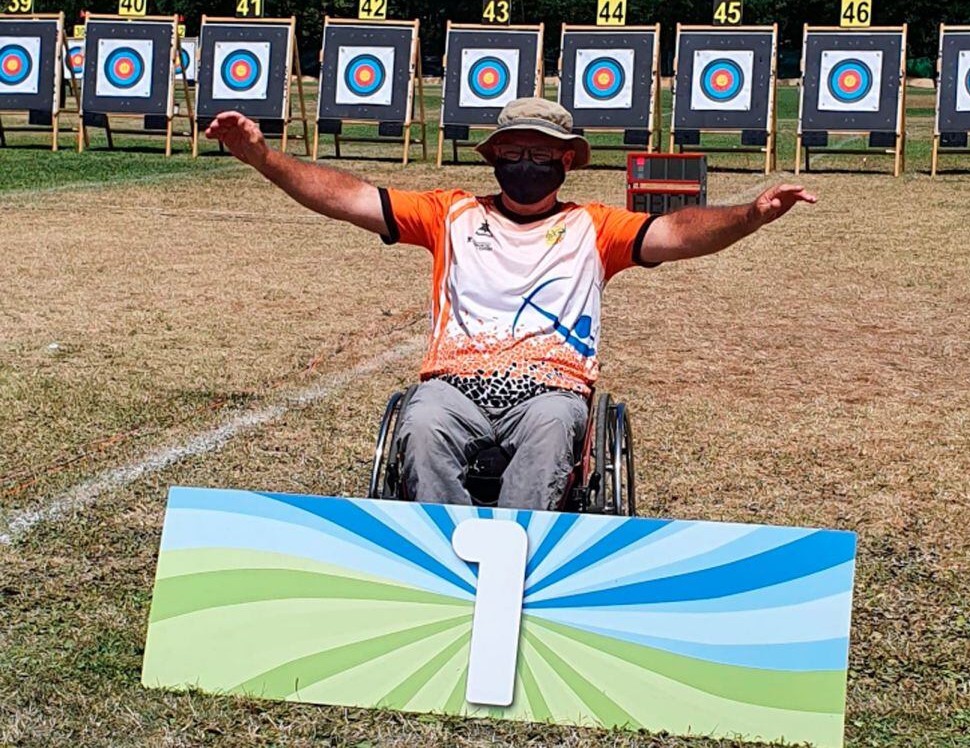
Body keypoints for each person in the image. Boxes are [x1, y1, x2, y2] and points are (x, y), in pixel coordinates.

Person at [206, 98, 814, 510]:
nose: (528, 164)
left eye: (543, 154)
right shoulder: (450, 214)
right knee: (419, 424)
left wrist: (751, 215)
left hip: (552, 389)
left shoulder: (595, 228)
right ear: (495, 157)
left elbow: (680, 232)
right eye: (515, 153)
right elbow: (348, 196)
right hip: (454, 384)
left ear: (566, 162)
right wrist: (265, 158)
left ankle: (517, 566)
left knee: (553, 432)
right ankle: (446, 562)